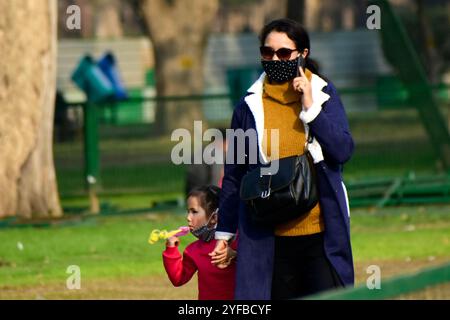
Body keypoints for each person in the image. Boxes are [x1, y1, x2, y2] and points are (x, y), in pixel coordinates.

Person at [210, 18, 354, 300]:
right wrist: (223, 235)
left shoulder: (324, 94)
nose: (275, 59)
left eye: (284, 53)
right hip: (267, 236)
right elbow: (235, 174)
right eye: (267, 52)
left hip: (321, 234)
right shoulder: (248, 105)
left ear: (303, 54)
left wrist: (311, 108)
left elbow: (342, 151)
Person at [162, 185, 237, 300]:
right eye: (188, 212)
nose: (188, 217)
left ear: (214, 218)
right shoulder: (193, 250)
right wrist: (171, 249)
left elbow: (257, 262)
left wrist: (234, 254)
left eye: (194, 212)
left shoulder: (237, 240)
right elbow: (178, 279)